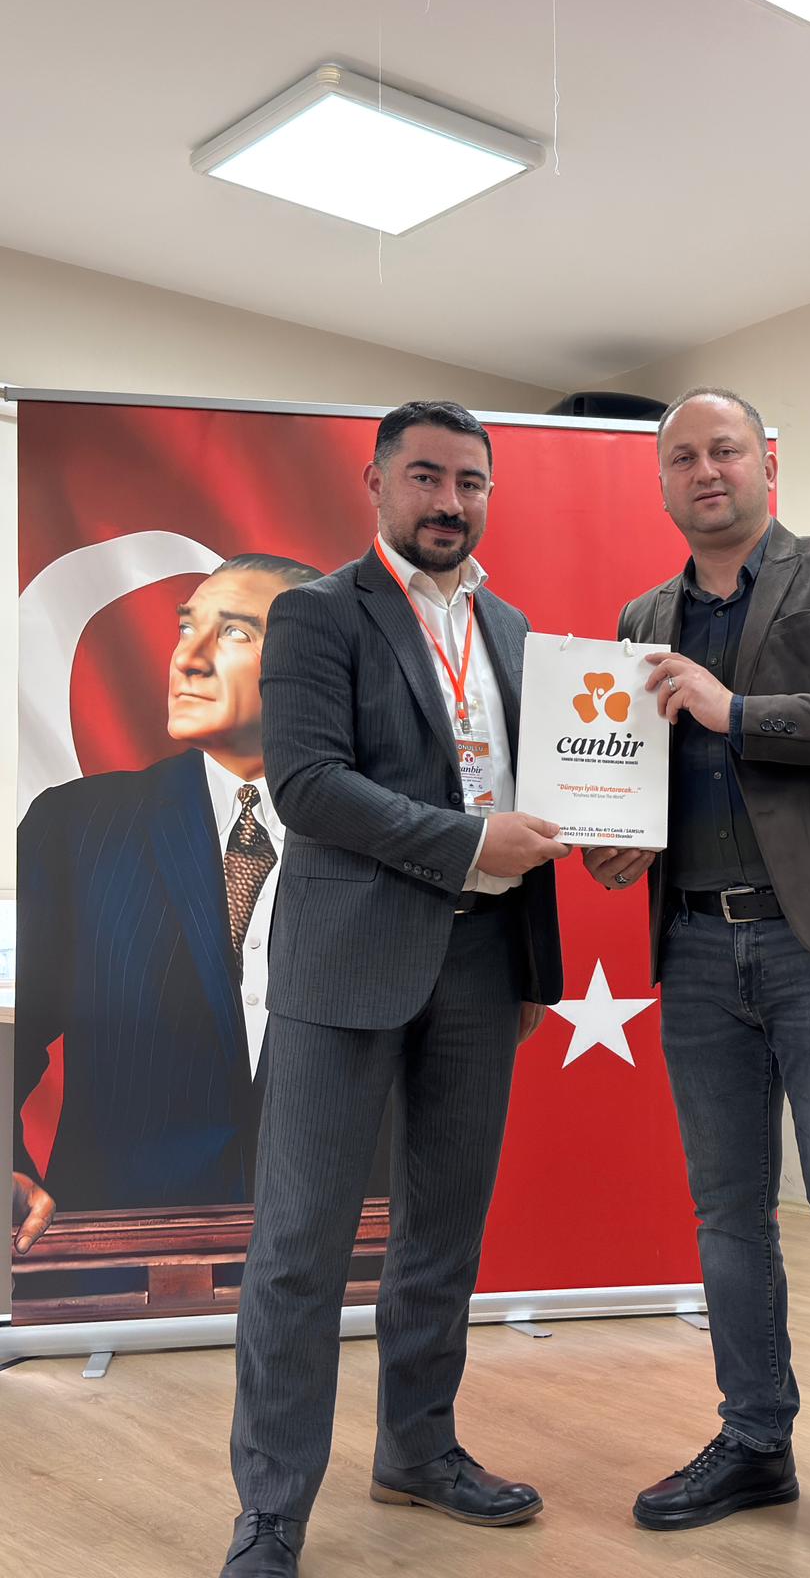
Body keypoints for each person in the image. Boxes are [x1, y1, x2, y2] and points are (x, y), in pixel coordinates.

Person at [585, 387, 810, 1578]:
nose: (706, 470)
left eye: (724, 449)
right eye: (682, 457)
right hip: (692, 947)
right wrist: (619, 840)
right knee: (728, 1218)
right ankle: (753, 1439)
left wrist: (735, 711)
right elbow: (632, 771)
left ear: (764, 464)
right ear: (663, 484)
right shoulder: (641, 617)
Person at [220, 400, 567, 1577]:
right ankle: (272, 1507)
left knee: (443, 1236)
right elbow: (309, 786)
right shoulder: (319, 612)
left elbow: (534, 794)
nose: (449, 501)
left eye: (471, 482)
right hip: (345, 964)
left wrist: (539, 953)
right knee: (300, 1246)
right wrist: (470, 843)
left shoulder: (513, 628)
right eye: (425, 476)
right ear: (375, 482)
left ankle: (417, 1449)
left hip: (482, 962)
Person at [12, 552, 323, 1256]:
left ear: (323, 665)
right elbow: (10, 1030)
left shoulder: (380, 835)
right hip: (113, 1257)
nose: (187, 658)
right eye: (187, 628)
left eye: (237, 632)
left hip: (340, 1257)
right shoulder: (77, 828)